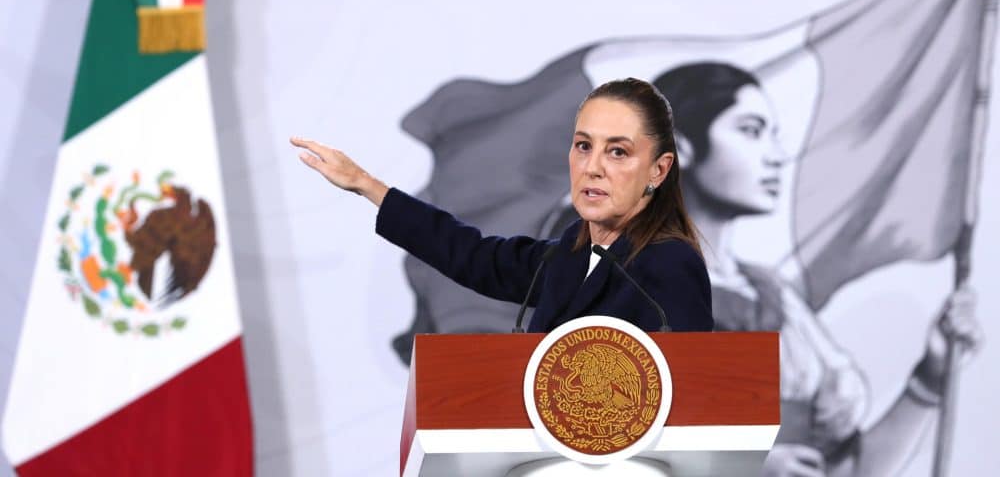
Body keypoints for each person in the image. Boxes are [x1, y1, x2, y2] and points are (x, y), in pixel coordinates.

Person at [654, 62, 983, 477]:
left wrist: (930, 377)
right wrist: (741, 466)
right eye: (751, 131)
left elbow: (847, 469)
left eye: (775, 135)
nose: (776, 155)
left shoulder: (775, 298)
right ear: (680, 150)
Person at [290, 78, 714, 334]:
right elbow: (470, 254)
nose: (593, 167)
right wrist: (367, 186)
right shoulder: (566, 257)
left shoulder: (668, 263)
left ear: (658, 170)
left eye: (618, 152)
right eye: (583, 146)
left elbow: (688, 402)